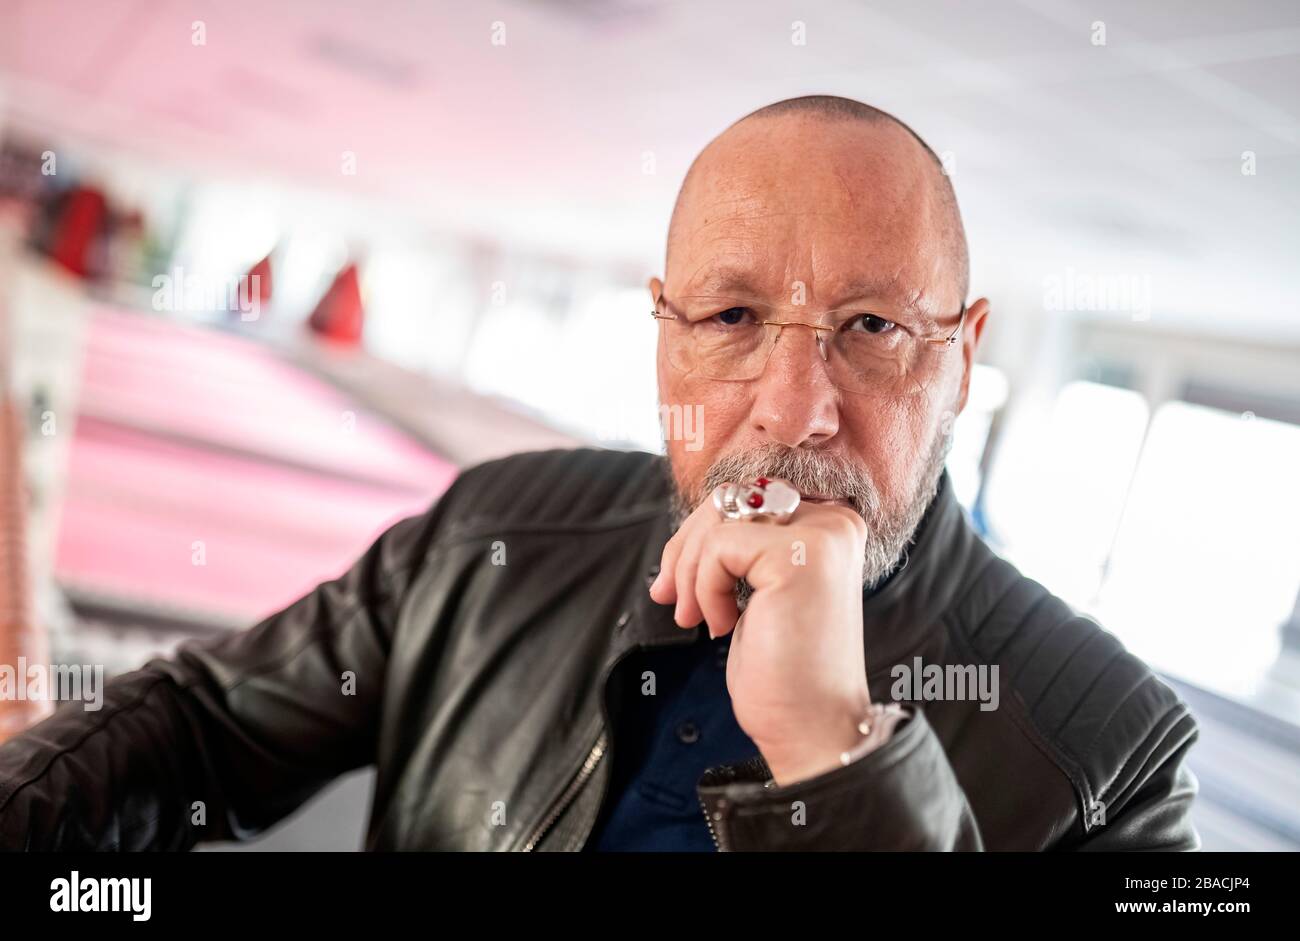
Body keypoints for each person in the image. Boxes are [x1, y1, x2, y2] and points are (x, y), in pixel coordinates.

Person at [0, 95, 1199, 851]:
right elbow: (203, 723)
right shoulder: (499, 530)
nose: (795, 410)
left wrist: (838, 750)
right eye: (731, 315)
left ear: (963, 358)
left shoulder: (1112, 754)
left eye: (874, 328)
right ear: (664, 328)